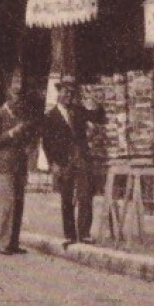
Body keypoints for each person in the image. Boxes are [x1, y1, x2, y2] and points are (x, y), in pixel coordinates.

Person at [41, 74, 105, 246]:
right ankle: (70, 234)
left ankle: (84, 233)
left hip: (81, 158)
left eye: (71, 92)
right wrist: (52, 163)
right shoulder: (50, 116)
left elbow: (98, 117)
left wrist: (97, 100)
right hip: (63, 161)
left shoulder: (78, 111)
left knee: (85, 195)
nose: (68, 95)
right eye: (65, 92)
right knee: (67, 197)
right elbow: (46, 143)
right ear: (58, 93)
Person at [0, 83, 36, 256]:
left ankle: (14, 242)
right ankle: (3, 244)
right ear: (8, 97)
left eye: (20, 98)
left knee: (19, 205)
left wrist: (28, 142)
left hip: (19, 165)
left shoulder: (21, 116)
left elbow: (27, 137)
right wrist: (12, 133)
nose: (19, 101)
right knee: (7, 205)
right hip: (4, 165)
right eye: (16, 97)